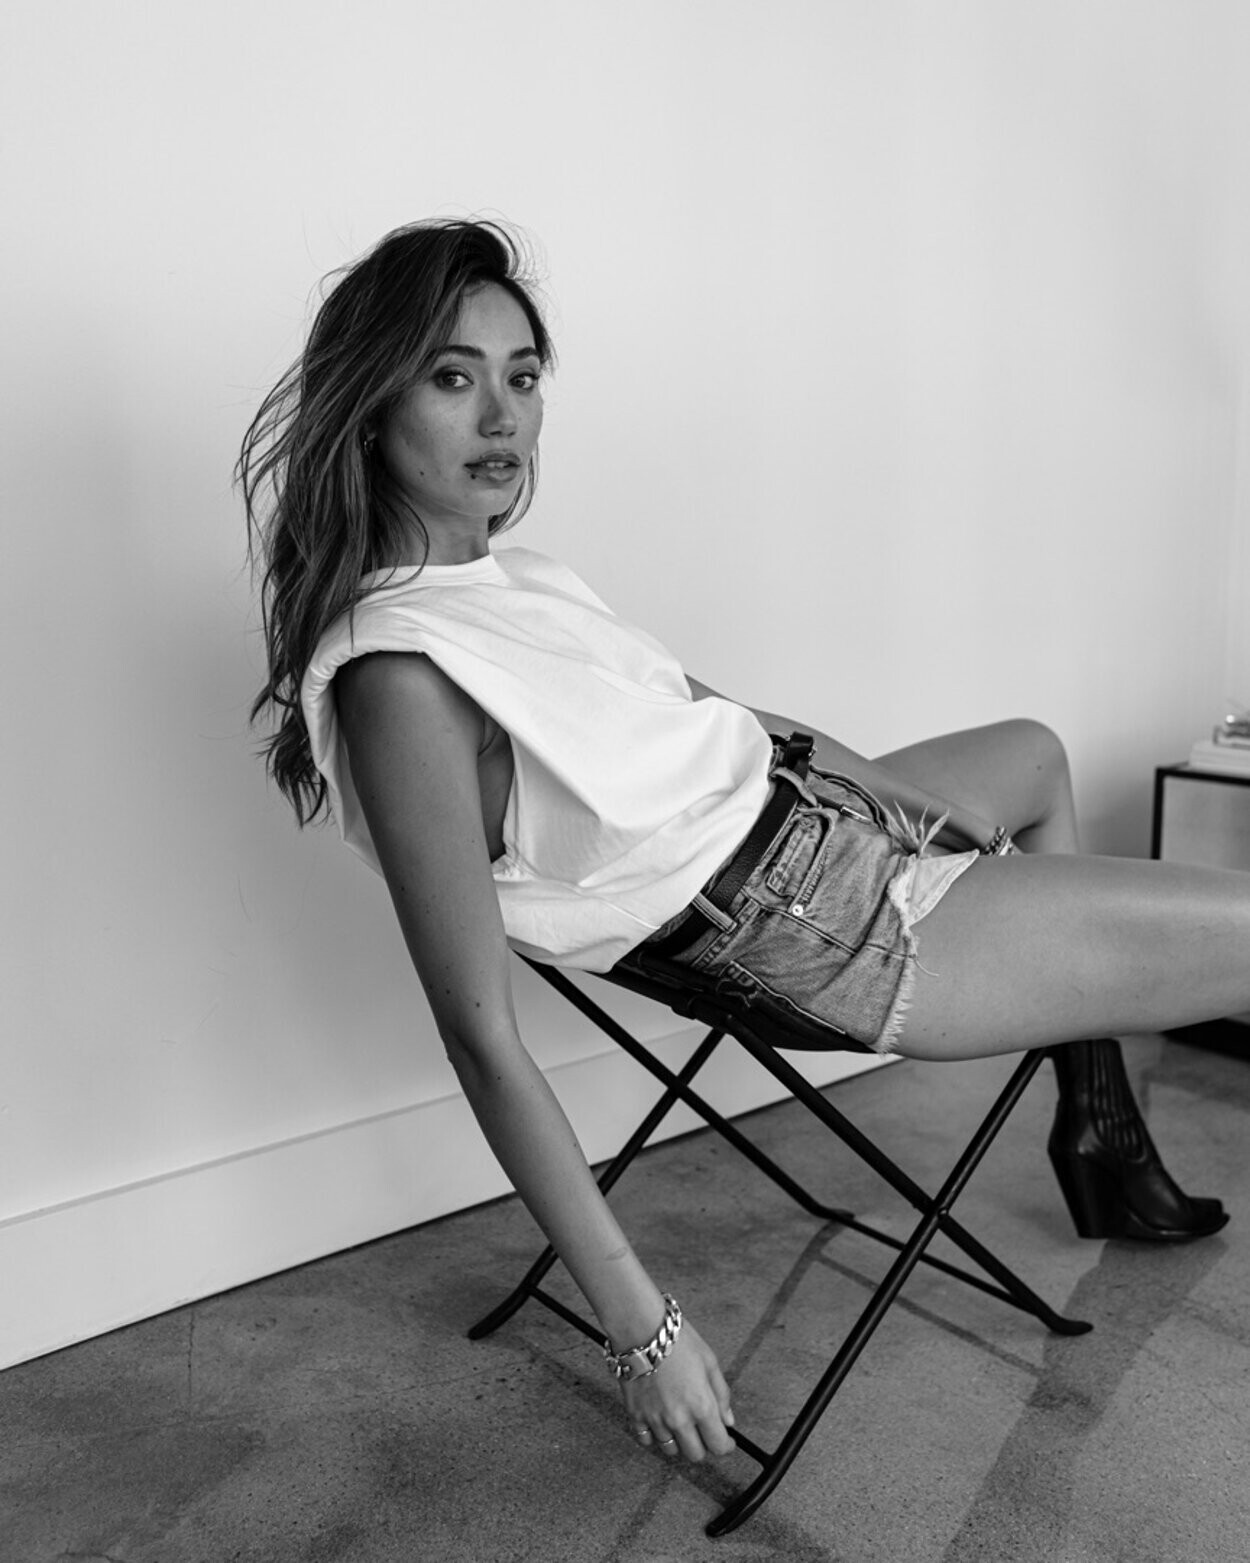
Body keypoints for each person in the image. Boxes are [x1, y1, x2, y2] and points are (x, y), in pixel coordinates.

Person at [240, 218, 1242, 1467]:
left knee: (1031, 755)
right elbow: (478, 1032)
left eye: (522, 375)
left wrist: (889, 797)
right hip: (831, 931)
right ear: (370, 403)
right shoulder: (399, 677)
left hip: (813, 831)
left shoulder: (521, 581)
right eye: (453, 377)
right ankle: (1094, 1112)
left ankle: (1095, 1123)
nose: (502, 415)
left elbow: (725, 715)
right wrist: (642, 1330)